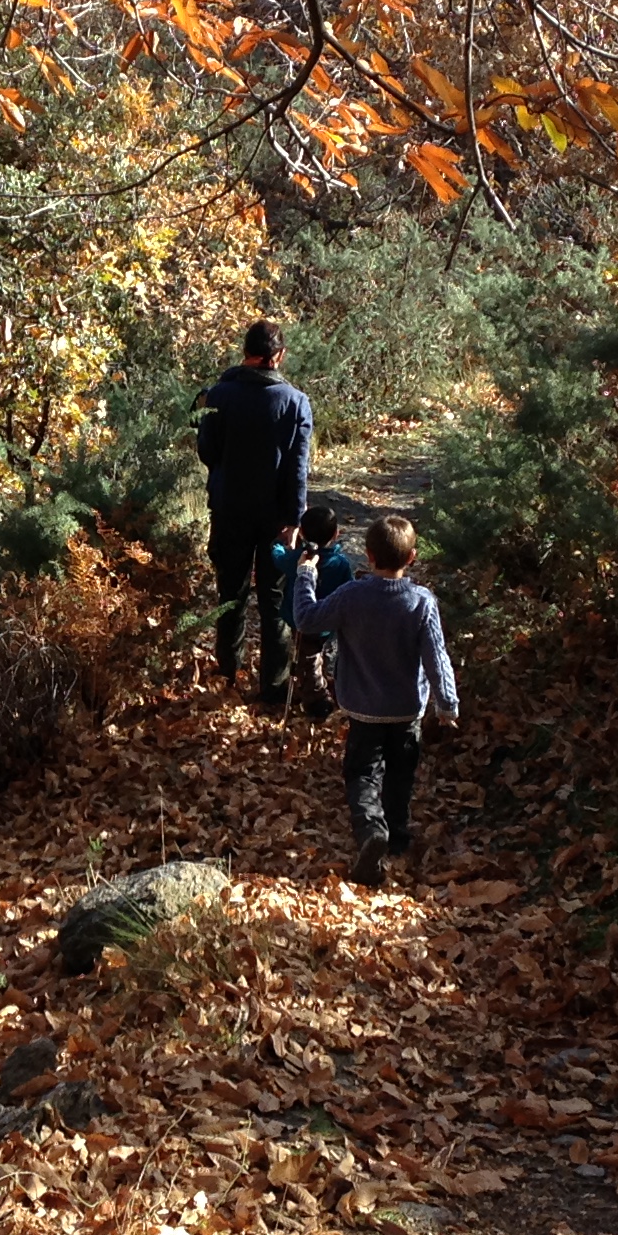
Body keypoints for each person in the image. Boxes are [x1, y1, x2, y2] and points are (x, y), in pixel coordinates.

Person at [291, 514, 458, 885]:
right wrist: (446, 703)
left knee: (362, 773)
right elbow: (436, 655)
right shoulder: (421, 602)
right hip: (406, 711)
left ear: (368, 556)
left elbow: (305, 618)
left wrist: (306, 575)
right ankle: (395, 840)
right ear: (412, 557)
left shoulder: (352, 596)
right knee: (401, 775)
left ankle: (370, 832)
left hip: (363, 709)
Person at [196, 320, 313, 703]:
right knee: (274, 601)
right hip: (275, 518)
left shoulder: (218, 396)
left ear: (245, 352)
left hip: (228, 508)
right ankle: (274, 689)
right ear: (279, 356)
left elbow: (207, 454)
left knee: (230, 592)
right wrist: (295, 520)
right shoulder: (295, 402)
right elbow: (297, 470)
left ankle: (226, 676)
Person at [290, 503, 357, 715]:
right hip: (330, 619)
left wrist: (277, 547)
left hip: (302, 619)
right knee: (323, 653)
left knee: (307, 658)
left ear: (300, 533)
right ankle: (323, 688)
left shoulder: (297, 558)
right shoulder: (341, 563)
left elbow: (279, 559)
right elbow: (349, 588)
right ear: (337, 534)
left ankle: (316, 699)